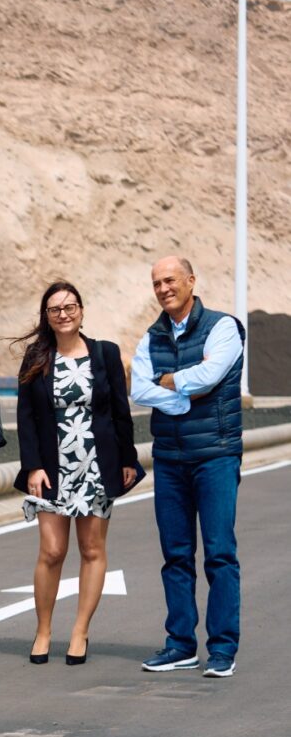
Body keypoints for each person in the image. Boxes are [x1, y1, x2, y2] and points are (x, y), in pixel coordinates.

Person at [12, 281, 143, 666]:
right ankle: (43, 630)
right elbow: (26, 417)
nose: (64, 314)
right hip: (53, 467)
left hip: (96, 464)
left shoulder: (105, 354)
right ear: (47, 317)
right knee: (52, 551)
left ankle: (80, 631)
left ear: (82, 311)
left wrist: (126, 461)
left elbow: (120, 412)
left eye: (70, 307)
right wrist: (32, 465)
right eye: (55, 309)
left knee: (91, 550)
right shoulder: (36, 357)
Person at [130, 256, 244, 678]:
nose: (163, 288)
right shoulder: (151, 337)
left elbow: (212, 376)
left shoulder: (223, 327)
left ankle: (222, 649)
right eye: (157, 282)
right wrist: (181, 393)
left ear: (191, 281)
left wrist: (170, 380)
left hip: (216, 453)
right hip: (170, 458)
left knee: (219, 553)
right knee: (175, 555)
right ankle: (180, 645)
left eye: (170, 280)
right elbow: (139, 388)